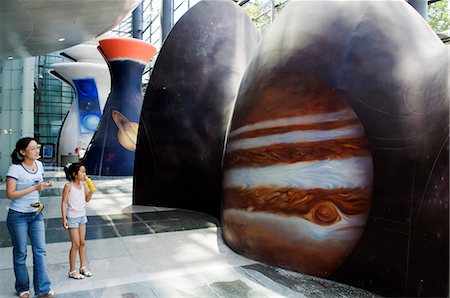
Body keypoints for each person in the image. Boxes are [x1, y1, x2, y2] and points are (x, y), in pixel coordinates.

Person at [5, 137, 55, 298]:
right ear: (22, 152)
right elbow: (10, 194)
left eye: (37, 147)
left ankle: (43, 288)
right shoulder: (15, 169)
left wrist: (43, 186)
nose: (37, 150)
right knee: (20, 252)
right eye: (32, 148)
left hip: (36, 213)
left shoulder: (39, 165)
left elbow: (36, 189)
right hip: (18, 216)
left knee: (40, 251)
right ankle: (22, 287)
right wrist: (34, 187)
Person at [61, 163, 93, 280]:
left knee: (82, 243)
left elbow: (87, 200)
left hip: (82, 217)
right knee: (76, 244)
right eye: (82, 171)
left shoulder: (83, 185)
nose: (84, 174)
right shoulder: (68, 186)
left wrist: (91, 191)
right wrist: (64, 218)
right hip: (72, 218)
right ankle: (72, 270)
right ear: (75, 174)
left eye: (85, 171)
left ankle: (83, 266)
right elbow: (64, 202)